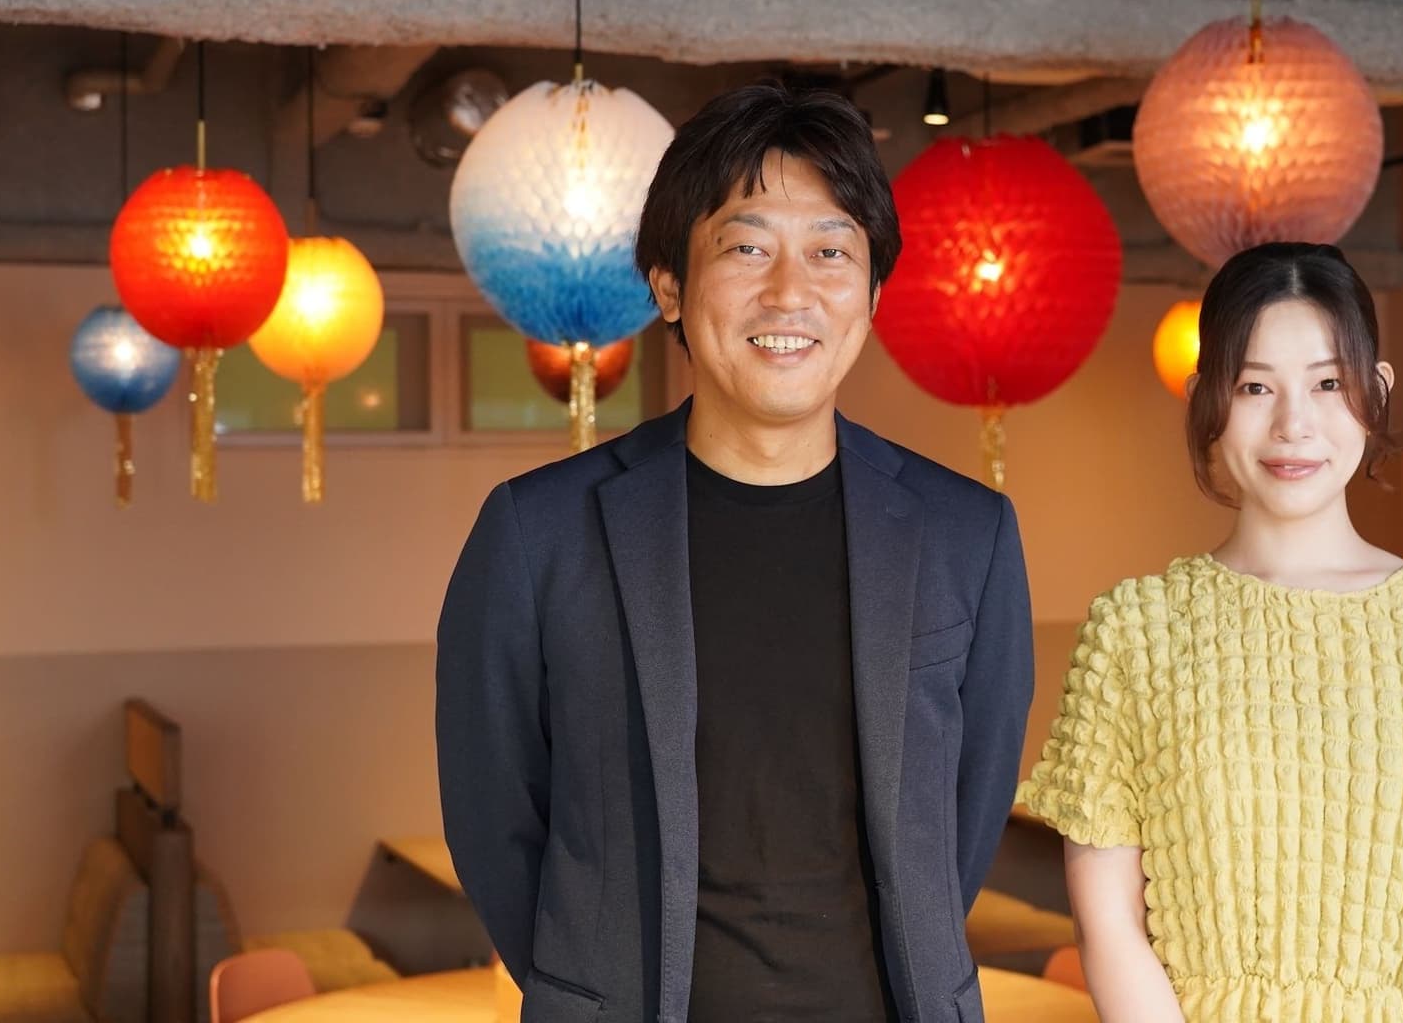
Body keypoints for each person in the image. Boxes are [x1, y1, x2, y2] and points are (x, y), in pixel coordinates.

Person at [437, 84, 1033, 1023]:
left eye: (832, 251)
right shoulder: (537, 535)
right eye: (746, 247)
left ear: (873, 291)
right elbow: (493, 820)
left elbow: (963, 818)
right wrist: (591, 981)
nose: (790, 292)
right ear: (669, 282)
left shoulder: (968, 535)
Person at [1019, 241, 1403, 1022]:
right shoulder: (1134, 633)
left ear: (1376, 391)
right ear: (1206, 400)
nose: (1294, 424)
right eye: (1255, 385)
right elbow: (1108, 923)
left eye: (1328, 383)